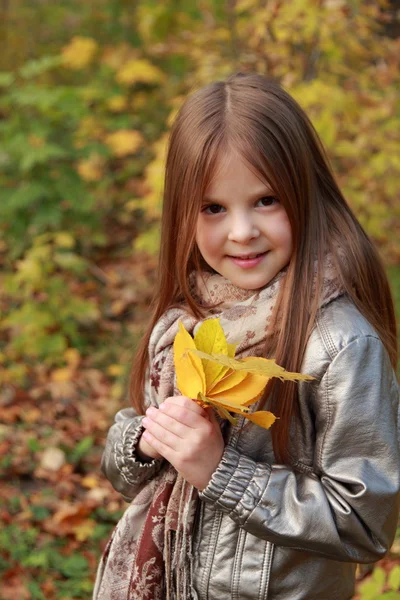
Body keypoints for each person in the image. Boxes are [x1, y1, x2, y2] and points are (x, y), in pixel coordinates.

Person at [93, 72, 400, 600]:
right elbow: (126, 476)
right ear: (183, 213)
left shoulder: (340, 343)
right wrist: (147, 440)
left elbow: (365, 524)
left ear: (306, 194)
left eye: (265, 200)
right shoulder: (187, 316)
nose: (241, 232)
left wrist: (220, 471)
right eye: (214, 208)